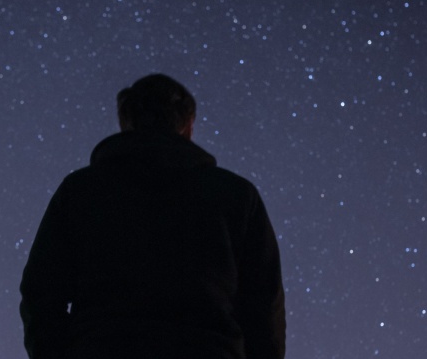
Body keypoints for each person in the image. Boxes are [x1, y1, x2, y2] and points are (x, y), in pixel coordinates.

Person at [20, 74, 285, 359]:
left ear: (125, 124)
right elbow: (263, 308)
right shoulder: (236, 196)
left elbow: (42, 294)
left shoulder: (80, 192)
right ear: (188, 125)